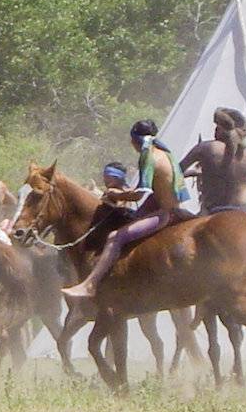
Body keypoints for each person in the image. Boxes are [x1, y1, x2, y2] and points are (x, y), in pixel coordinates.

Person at [63, 119, 189, 301]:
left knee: (116, 237)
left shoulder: (148, 156)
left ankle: (90, 285)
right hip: (167, 206)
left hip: (165, 214)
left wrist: (116, 195)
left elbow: (139, 194)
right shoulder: (165, 153)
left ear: (134, 140)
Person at [181, 107, 246, 212]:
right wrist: (244, 182)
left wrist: (192, 173)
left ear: (219, 128)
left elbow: (176, 173)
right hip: (241, 211)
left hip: (212, 210)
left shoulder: (205, 148)